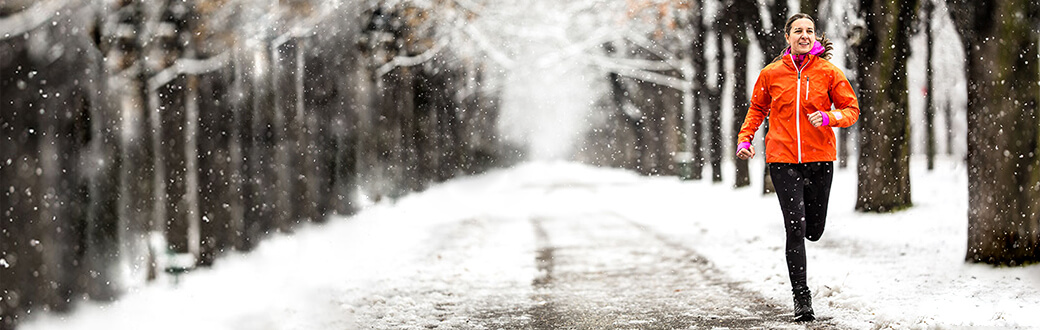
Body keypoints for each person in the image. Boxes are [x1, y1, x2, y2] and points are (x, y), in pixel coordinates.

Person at [735, 13, 860, 322]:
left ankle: (811, 231)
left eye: (810, 31)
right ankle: (801, 297)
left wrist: (831, 118)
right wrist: (745, 139)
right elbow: (757, 109)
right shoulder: (771, 73)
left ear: (815, 37)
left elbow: (852, 110)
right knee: (795, 227)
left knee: (814, 230)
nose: (805, 35)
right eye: (798, 31)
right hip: (783, 160)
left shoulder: (829, 73)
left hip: (820, 160)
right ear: (787, 37)